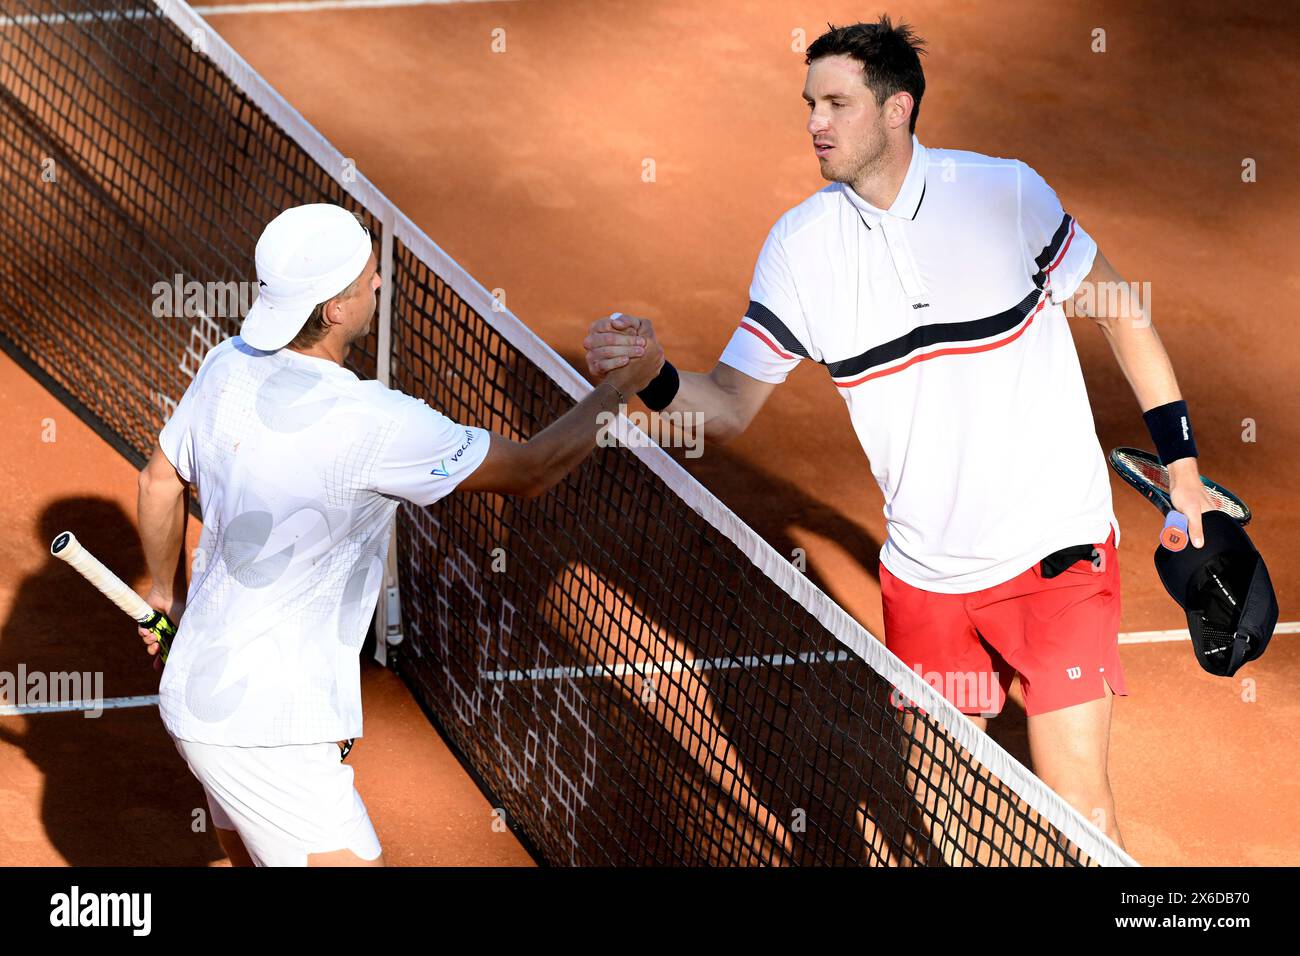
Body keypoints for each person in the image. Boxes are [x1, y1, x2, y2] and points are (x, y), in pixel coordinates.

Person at [583, 17, 1216, 852]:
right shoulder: (800, 250)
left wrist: (1184, 469)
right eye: (810, 103)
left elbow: (1121, 314)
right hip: (927, 580)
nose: (815, 121)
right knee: (950, 824)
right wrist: (656, 374)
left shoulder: (1005, 195)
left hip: (1054, 555)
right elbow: (728, 408)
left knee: (1079, 817)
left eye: (836, 103)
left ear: (897, 110)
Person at [135, 203, 661, 866]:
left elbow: (159, 483)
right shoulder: (377, 423)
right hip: (268, 731)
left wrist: (165, 596)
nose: (379, 285)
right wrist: (624, 386)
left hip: (198, 690)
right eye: (367, 280)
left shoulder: (226, 365)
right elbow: (533, 469)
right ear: (333, 309)